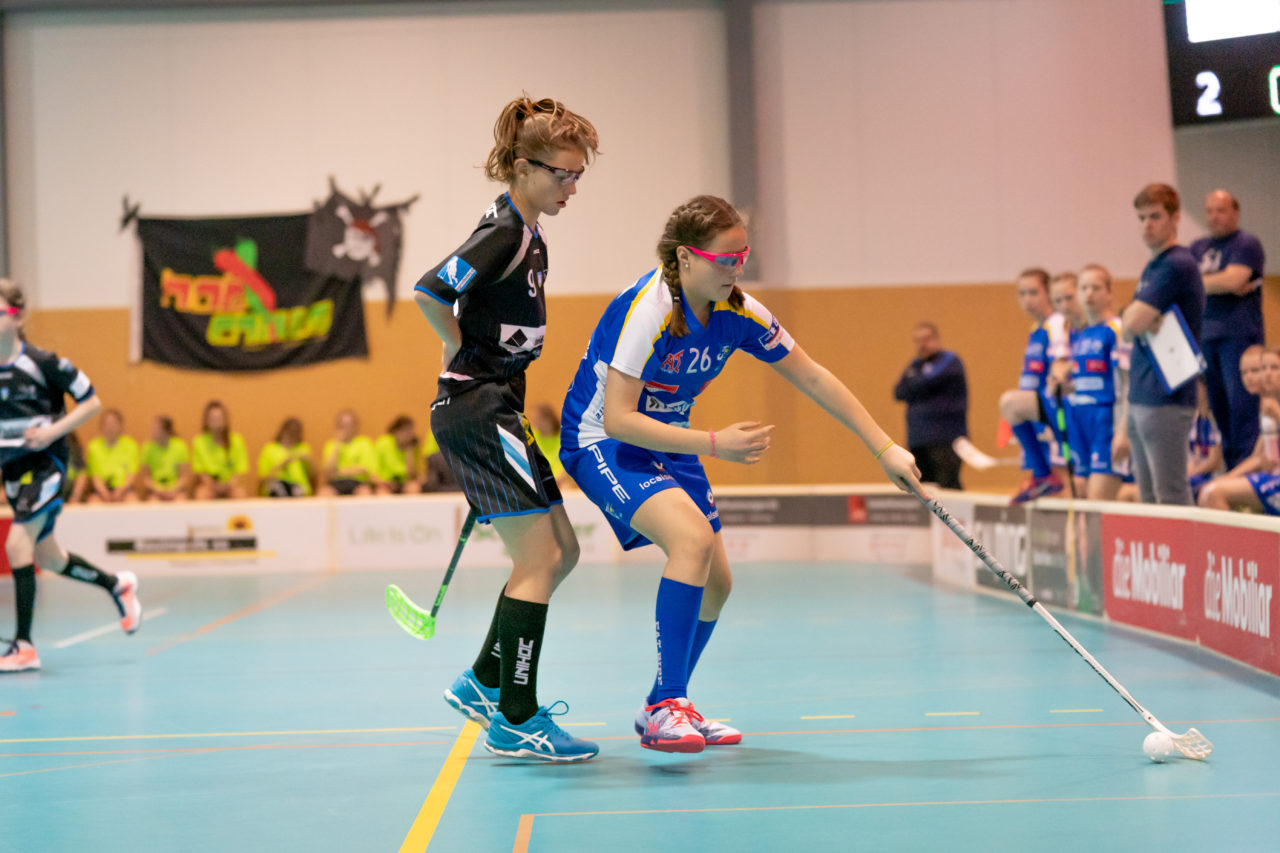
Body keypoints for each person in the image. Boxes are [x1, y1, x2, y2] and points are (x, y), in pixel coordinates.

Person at [560, 195, 922, 754]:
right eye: (724, 258)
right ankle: (667, 706)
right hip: (604, 440)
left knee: (718, 583)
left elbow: (815, 378)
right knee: (691, 538)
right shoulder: (648, 311)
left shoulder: (741, 312)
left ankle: (662, 700)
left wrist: (884, 448)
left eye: (742, 256)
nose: (736, 268)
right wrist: (714, 444)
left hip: (669, 439)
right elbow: (619, 418)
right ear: (686, 258)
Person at [412, 95, 601, 762]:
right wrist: (458, 348)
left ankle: (483, 678)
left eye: (579, 175)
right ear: (523, 167)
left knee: (562, 551)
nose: (571, 186)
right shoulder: (503, 233)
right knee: (538, 560)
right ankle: (514, 715)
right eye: (563, 174)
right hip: (476, 409)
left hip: (500, 411)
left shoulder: (530, 233)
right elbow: (430, 290)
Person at [0, 280, 142, 672]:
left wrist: (49, 432)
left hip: (47, 465)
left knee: (16, 546)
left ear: (17, 316)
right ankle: (117, 585)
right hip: (12, 473)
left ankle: (24, 646)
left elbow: (92, 401)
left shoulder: (45, 364)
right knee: (49, 556)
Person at [1121, 183, 1205, 505]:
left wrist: (1135, 320)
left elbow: (1131, 324)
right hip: (1142, 394)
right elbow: (1128, 325)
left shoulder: (1177, 263)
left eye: (1155, 216)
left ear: (1175, 218)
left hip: (1166, 396)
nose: (1147, 225)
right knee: (1148, 497)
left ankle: (1186, 557)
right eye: (1141, 218)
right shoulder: (1153, 266)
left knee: (1170, 494)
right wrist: (1134, 320)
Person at [1190, 190, 1267, 470]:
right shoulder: (1196, 248)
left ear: (1235, 212)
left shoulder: (1246, 244)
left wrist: (1206, 281)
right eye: (1209, 210)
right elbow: (1185, 285)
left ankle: (1246, 473)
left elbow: (1235, 281)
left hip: (1238, 336)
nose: (1213, 216)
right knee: (1217, 410)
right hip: (1205, 337)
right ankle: (1230, 469)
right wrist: (1217, 282)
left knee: (1241, 408)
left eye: (1220, 210)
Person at [998, 268, 1069, 504]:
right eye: (1022, 293)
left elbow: (1061, 366)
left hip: (1057, 412)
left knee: (1067, 491)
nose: (1027, 299)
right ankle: (1041, 476)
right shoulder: (1035, 329)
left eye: (1033, 292)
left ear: (1048, 293)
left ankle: (1043, 476)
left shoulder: (1057, 323)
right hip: (1038, 414)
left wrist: (1050, 416)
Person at [1063, 265, 1130, 500]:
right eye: (1083, 288)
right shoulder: (1081, 335)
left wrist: (1123, 431)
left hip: (1105, 426)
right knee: (1079, 500)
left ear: (1109, 293)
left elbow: (1127, 385)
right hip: (1080, 427)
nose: (1089, 294)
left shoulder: (1116, 329)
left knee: (1097, 504)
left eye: (1096, 287)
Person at [1198, 347, 1280, 513]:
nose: (1267, 374)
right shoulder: (1267, 405)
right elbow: (1260, 457)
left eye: (1274, 368)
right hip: (1271, 477)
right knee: (1211, 491)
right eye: (1264, 368)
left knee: (1213, 494)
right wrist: (1227, 478)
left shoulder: (1271, 407)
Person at [892, 322, 967, 489]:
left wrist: (916, 384)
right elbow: (899, 392)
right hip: (918, 440)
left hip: (945, 440)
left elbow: (922, 383)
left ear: (936, 339)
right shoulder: (915, 365)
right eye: (918, 340)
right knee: (923, 489)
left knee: (948, 488)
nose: (922, 345)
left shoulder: (950, 361)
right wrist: (917, 384)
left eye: (926, 339)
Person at [191, 400, 248, 499]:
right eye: (213, 418)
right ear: (206, 421)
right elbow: (200, 471)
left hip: (230, 486)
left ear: (225, 419)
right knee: (201, 493)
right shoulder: (199, 442)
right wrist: (213, 487)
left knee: (240, 493)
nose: (217, 421)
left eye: (219, 418)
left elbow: (239, 470)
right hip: (210, 486)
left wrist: (229, 485)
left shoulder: (236, 441)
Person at [85, 408, 140, 503]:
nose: (110, 427)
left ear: (120, 426)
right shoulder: (94, 447)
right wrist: (105, 494)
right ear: (101, 426)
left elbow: (131, 474)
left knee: (133, 502)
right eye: (107, 424)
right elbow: (95, 476)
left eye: (114, 424)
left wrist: (120, 491)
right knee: (93, 504)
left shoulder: (130, 445)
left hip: (124, 491)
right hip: (101, 491)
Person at [318, 409, 375, 496]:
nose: (346, 429)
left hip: (358, 483)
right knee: (323, 493)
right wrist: (337, 445)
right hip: (336, 484)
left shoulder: (364, 443)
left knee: (365, 493)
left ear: (355, 426)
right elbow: (328, 474)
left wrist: (338, 472)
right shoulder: (331, 445)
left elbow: (365, 470)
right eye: (342, 425)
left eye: (349, 425)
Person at [257, 417, 313, 497]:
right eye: (290, 432)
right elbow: (262, 480)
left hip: (298, 487)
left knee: (297, 490)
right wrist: (282, 465)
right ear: (283, 431)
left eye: (296, 432)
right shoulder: (269, 449)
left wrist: (309, 461)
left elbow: (313, 477)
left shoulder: (303, 448)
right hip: (277, 485)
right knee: (277, 488)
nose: (292, 435)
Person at [139, 415, 191, 501]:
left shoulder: (180, 446)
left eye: (156, 429)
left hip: (176, 490)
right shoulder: (147, 448)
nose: (152, 431)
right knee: (153, 504)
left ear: (166, 431)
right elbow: (145, 478)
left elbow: (184, 476)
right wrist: (159, 490)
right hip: (155, 491)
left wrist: (173, 489)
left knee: (181, 502)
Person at [372, 415, 422, 495]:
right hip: (386, 483)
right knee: (382, 493)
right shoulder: (383, 444)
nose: (407, 435)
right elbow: (373, 472)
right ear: (395, 431)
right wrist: (384, 482)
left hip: (403, 483)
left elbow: (413, 475)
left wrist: (409, 453)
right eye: (404, 430)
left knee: (413, 488)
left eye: (410, 431)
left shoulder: (413, 447)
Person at [528, 403, 572, 489]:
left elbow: (571, 462)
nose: (535, 422)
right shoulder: (532, 436)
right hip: (541, 482)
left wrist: (561, 479)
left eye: (539, 419)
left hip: (562, 482)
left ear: (548, 418)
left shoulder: (564, 437)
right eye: (534, 419)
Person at [61, 431, 89, 504]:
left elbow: (82, 472)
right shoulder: (48, 440)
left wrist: (75, 496)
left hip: (70, 488)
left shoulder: (71, 440)